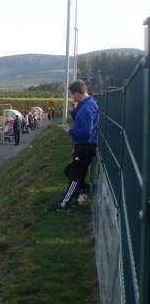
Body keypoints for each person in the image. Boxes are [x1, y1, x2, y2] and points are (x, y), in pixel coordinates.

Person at [51, 80, 99, 212]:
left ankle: (64, 204)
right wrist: (73, 112)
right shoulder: (88, 104)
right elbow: (83, 122)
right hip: (84, 145)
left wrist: (70, 131)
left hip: (84, 147)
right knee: (70, 171)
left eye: (72, 95)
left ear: (78, 93)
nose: (72, 98)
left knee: (74, 176)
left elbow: (86, 131)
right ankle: (83, 190)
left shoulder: (86, 108)